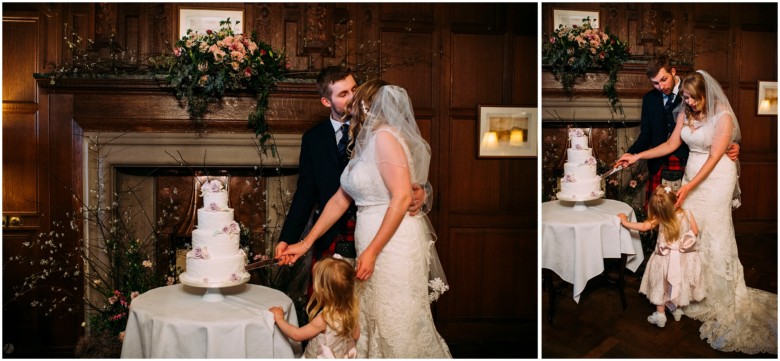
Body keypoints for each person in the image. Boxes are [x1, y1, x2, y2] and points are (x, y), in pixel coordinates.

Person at [279, 80, 451, 358]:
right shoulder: (365, 141)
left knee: (395, 321)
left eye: (355, 98)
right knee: (371, 318)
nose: (350, 103)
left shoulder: (385, 137)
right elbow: (340, 198)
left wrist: (371, 251)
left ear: (366, 105)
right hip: (371, 239)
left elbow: (401, 197)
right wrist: (305, 243)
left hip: (392, 245)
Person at [617, 70, 777, 354]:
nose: (687, 102)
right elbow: (669, 145)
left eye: (691, 98)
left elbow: (716, 157)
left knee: (716, 233)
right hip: (693, 175)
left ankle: (719, 294)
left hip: (716, 178)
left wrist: (689, 187)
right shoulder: (685, 114)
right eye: (686, 97)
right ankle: (690, 290)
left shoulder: (723, 116)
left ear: (705, 95)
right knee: (689, 234)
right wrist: (637, 155)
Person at [275, 67, 427, 295]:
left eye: (354, 90)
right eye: (343, 94)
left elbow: (404, 187)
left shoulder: (382, 135)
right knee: (338, 312)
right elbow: (314, 194)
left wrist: (420, 193)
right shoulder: (319, 139)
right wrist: (295, 240)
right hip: (333, 232)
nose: (352, 97)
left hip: (381, 234)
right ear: (327, 102)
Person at [622, 56, 739, 203]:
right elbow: (659, 139)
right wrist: (633, 155)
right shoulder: (660, 102)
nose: (661, 86)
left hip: (700, 166)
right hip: (675, 165)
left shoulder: (696, 91)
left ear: (672, 71)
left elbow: (723, 139)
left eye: (664, 80)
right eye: (655, 83)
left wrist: (735, 144)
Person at [618, 185, 704, 328]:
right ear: (676, 199)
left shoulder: (660, 219)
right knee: (678, 281)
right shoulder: (687, 213)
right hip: (683, 258)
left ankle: (660, 315)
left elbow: (644, 227)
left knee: (661, 284)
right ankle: (677, 310)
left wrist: (625, 222)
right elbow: (695, 231)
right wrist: (682, 243)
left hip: (663, 259)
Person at [268, 257, 359, 359]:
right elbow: (355, 336)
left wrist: (280, 319)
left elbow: (297, 335)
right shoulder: (351, 311)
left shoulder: (324, 319)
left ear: (323, 290)